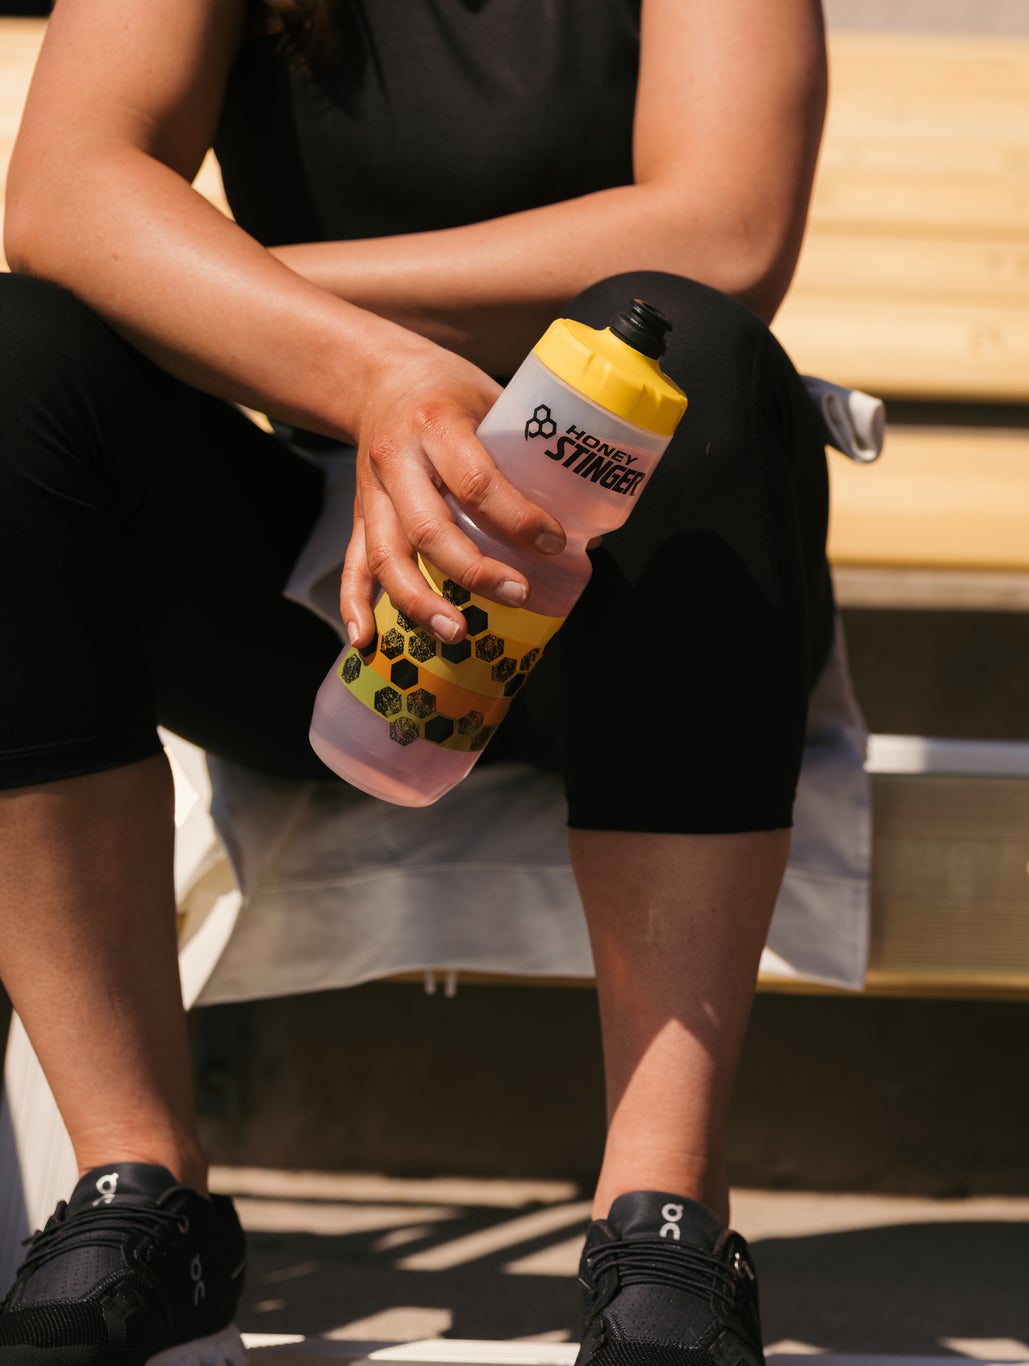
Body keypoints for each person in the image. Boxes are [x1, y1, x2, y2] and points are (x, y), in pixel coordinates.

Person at [0, 2, 831, 1363]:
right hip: (326, 591)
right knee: (14, 358)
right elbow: (65, 197)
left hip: (642, 595)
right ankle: (136, 1187)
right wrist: (374, 373)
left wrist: (249, 279)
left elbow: (722, 227)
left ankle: (661, 1218)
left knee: (690, 347)